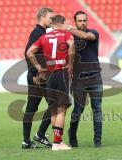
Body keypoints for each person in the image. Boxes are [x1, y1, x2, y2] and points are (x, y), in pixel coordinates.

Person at [26, 15, 75, 151]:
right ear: (62, 23)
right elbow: (71, 47)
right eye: (66, 23)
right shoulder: (66, 35)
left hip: (50, 76)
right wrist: (70, 65)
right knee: (61, 110)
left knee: (53, 109)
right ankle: (58, 143)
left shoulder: (43, 37)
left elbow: (29, 52)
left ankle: (56, 142)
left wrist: (38, 67)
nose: (68, 26)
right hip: (61, 73)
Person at [67, 11, 103, 147]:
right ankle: (72, 135)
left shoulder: (93, 33)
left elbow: (86, 36)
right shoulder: (70, 38)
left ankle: (97, 141)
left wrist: (69, 28)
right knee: (78, 110)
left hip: (95, 78)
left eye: (84, 20)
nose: (82, 23)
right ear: (75, 22)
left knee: (97, 109)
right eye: (80, 21)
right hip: (78, 80)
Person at [22, 7, 54, 149]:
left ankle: (27, 141)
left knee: (33, 108)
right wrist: (36, 72)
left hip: (39, 77)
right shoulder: (38, 33)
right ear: (42, 17)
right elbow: (28, 53)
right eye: (50, 17)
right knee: (56, 105)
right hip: (38, 78)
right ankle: (38, 136)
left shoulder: (41, 32)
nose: (51, 20)